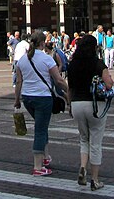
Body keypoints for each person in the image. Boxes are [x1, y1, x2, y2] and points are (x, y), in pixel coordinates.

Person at [13, 30, 69, 177]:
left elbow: (19, 82)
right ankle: (38, 166)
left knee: (41, 126)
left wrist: (17, 100)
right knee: (40, 130)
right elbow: (58, 80)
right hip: (43, 98)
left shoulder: (22, 60)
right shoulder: (47, 59)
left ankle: (45, 157)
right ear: (43, 43)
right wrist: (70, 92)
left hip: (27, 98)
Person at [66, 34, 113, 191]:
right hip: (94, 105)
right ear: (94, 47)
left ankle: (82, 167)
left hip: (77, 104)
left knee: (83, 139)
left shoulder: (72, 64)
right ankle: (95, 179)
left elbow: (69, 88)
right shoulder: (97, 63)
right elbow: (109, 83)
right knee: (96, 142)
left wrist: (69, 106)